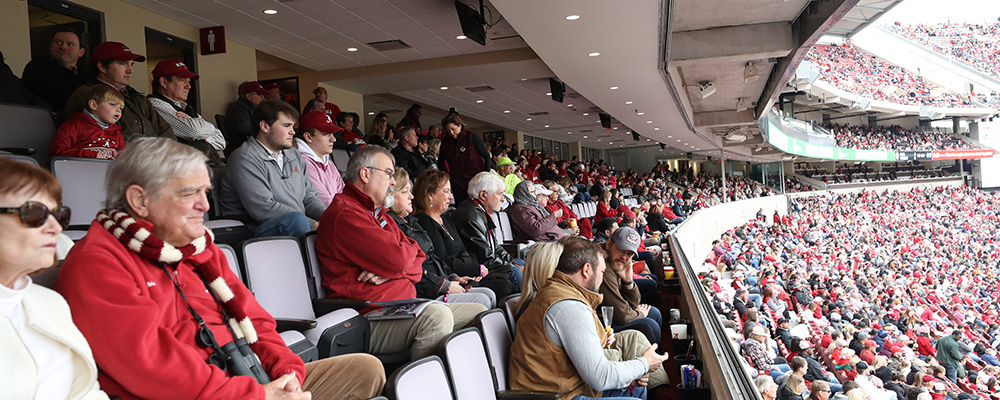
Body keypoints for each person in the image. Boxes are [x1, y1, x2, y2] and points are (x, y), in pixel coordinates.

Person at [55, 138, 385, 399]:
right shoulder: (98, 262)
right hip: (199, 393)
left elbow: (256, 319)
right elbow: (153, 367)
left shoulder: (199, 248)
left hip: (249, 377)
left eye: (205, 192)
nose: (205, 205)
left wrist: (288, 376)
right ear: (139, 200)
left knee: (366, 370)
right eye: (190, 193)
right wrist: (256, 395)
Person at [317, 145, 486, 361]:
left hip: (404, 306)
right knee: (437, 317)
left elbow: (419, 257)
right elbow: (400, 261)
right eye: (388, 173)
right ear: (365, 174)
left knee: (479, 310)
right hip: (366, 317)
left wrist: (394, 270)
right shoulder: (346, 213)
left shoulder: (381, 215)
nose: (393, 181)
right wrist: (397, 267)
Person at [0, 159, 109, 399]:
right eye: (34, 213)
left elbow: (85, 391)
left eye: (58, 214)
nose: (56, 228)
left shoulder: (51, 302)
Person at [509, 237, 669, 399]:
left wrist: (628, 377)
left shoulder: (559, 291)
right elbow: (600, 377)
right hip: (558, 395)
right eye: (601, 272)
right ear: (586, 270)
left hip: (568, 386)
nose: (602, 277)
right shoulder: (568, 306)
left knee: (638, 388)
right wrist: (644, 364)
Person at [387, 168, 493, 308]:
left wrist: (453, 277)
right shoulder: (417, 221)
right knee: (484, 299)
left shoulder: (413, 222)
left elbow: (434, 259)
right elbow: (418, 267)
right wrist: (445, 284)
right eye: (405, 192)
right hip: (429, 291)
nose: (411, 196)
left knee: (489, 294)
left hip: (443, 280)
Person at [220, 99, 325, 238]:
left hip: (297, 223)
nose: (293, 132)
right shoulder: (245, 157)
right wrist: (314, 225)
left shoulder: (294, 155)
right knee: (298, 221)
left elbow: (310, 198)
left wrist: (330, 218)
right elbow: (263, 209)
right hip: (253, 230)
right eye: (286, 126)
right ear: (264, 126)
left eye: (293, 126)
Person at [63, 41, 175, 142]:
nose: (130, 70)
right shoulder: (85, 94)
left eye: (132, 64)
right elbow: (85, 137)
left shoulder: (138, 99)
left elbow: (166, 131)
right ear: (102, 66)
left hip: (153, 160)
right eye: (123, 63)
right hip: (116, 161)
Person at [451, 171, 520, 292]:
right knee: (515, 272)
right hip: (479, 269)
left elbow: (495, 247)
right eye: (499, 194)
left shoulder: (479, 211)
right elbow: (485, 256)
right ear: (483, 195)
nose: (503, 199)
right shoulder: (470, 216)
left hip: (489, 263)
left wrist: (514, 263)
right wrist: (513, 267)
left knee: (519, 263)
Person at [148, 59, 225, 165]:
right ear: (164, 82)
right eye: (182, 80)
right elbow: (195, 131)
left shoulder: (186, 107)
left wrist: (194, 125)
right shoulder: (155, 104)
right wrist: (202, 128)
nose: (188, 86)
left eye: (188, 81)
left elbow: (221, 140)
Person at [598, 227, 662, 346]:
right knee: (649, 325)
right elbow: (622, 315)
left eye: (629, 254)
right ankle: (652, 362)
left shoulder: (614, 263)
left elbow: (632, 304)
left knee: (654, 313)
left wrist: (628, 282)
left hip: (612, 318)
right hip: (602, 327)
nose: (624, 257)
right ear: (608, 244)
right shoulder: (602, 267)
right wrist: (640, 314)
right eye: (621, 249)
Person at [21, 27, 88, 112]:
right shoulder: (37, 67)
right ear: (51, 46)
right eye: (58, 42)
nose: (63, 47)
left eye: (70, 44)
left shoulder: (86, 76)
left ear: (81, 52)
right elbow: (59, 94)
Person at [50, 85, 125, 159]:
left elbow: (123, 159)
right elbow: (57, 152)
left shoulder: (116, 133)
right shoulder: (73, 126)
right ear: (93, 105)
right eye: (112, 104)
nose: (118, 110)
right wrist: (89, 155)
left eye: (121, 108)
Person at [296, 110, 346, 207]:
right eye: (326, 134)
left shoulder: (329, 163)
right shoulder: (302, 162)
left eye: (332, 134)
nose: (333, 139)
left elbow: (344, 195)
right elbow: (323, 202)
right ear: (308, 137)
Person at [439, 113, 491, 204]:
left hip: (476, 181)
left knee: (478, 207)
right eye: (448, 131)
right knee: (461, 208)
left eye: (453, 129)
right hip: (457, 183)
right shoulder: (445, 142)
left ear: (460, 126)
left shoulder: (471, 136)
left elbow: (486, 156)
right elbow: (441, 162)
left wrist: (485, 175)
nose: (451, 133)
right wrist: (446, 178)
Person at [224, 81, 267, 157]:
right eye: (259, 95)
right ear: (248, 96)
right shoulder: (238, 107)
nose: (263, 98)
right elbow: (245, 128)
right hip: (242, 149)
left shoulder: (255, 109)